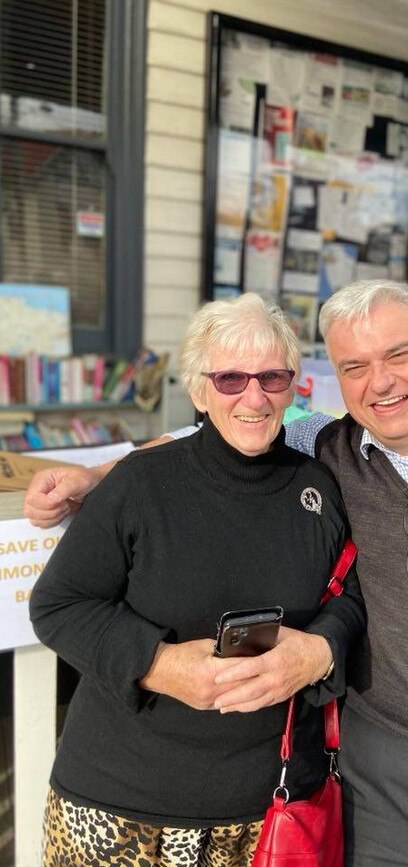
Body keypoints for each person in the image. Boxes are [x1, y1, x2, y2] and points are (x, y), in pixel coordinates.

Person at [25, 281, 408, 866]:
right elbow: (201, 442)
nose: (380, 382)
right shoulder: (330, 447)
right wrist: (95, 478)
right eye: (354, 367)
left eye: (398, 354)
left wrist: (321, 649)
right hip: (380, 794)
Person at [28, 293, 365, 867]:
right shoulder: (142, 485)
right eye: (230, 378)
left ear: (293, 385)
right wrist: (159, 665)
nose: (253, 397)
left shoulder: (320, 485)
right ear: (198, 389)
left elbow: (353, 595)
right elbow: (59, 604)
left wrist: (320, 650)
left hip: (266, 815)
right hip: (118, 808)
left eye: (272, 377)